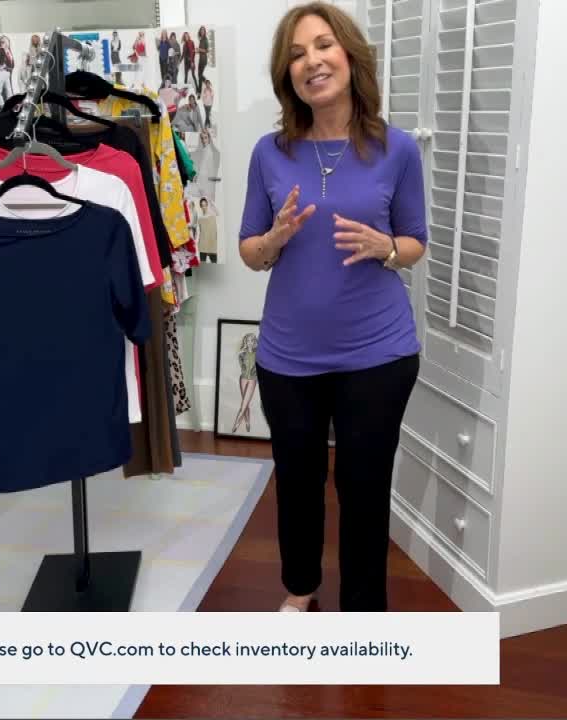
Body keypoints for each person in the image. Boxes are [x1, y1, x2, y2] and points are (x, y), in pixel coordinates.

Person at [237, 2, 426, 612]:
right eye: (295, 54)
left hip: (379, 352)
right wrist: (275, 240)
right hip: (288, 355)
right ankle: (301, 589)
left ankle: (364, 611)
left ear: (349, 55)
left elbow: (417, 240)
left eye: (322, 46)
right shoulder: (270, 153)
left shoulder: (397, 150)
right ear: (286, 74)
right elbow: (249, 249)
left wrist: (385, 247)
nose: (310, 62)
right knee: (298, 482)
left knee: (364, 486)